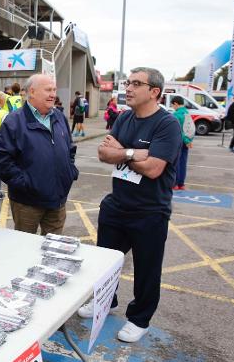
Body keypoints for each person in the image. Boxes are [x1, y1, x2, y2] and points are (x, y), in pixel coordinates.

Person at [77, 67, 181, 343]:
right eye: (128, 83)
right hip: (116, 206)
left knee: (147, 269)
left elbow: (154, 169)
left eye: (137, 83)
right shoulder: (124, 118)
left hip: (149, 211)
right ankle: (105, 302)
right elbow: (103, 153)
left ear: (154, 92)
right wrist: (136, 153)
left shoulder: (167, 125)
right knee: (105, 264)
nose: (129, 88)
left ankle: (139, 319)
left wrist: (121, 152)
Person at [0, 74, 78, 236]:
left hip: (58, 199)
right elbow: (2, 160)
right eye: (48, 90)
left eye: (54, 90)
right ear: (31, 92)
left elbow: (70, 149)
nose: (53, 94)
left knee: (53, 248)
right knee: (25, 249)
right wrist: (25, 184)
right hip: (27, 203)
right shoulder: (14, 121)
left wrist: (70, 172)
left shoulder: (59, 117)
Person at [171, 96, 193, 190]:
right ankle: (181, 184)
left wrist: (185, 140)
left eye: (172, 105)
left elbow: (179, 130)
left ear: (176, 103)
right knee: (183, 162)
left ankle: (175, 184)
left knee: (176, 163)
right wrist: (189, 140)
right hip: (187, 141)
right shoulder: (187, 113)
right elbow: (191, 129)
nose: (173, 107)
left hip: (179, 141)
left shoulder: (176, 114)